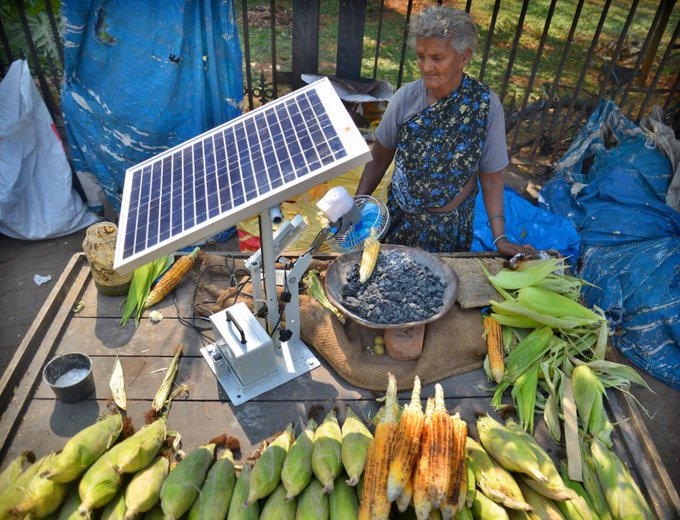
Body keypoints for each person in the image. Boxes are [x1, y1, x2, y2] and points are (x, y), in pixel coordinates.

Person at [356, 6, 536, 257]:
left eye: (437, 58)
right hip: (400, 223)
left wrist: (500, 237)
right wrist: (357, 207)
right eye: (421, 56)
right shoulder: (406, 98)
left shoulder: (484, 105)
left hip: (450, 232)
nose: (426, 67)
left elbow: (492, 178)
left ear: (464, 57)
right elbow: (379, 159)